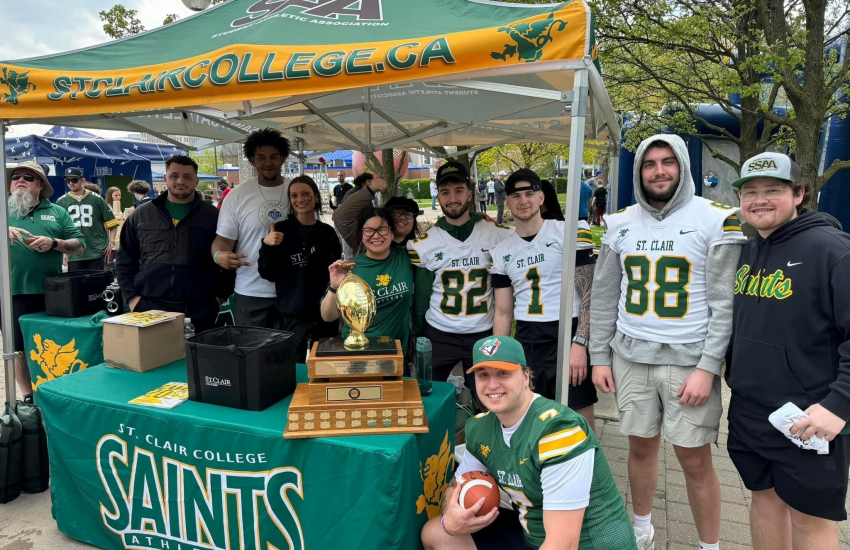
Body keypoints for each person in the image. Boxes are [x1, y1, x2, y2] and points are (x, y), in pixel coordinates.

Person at [589, 134, 747, 550]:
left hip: (688, 361)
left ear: (683, 166)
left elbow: (723, 305)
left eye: (667, 162)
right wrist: (598, 355)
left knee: (694, 460)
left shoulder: (716, 217)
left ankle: (709, 545)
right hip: (630, 356)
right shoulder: (620, 222)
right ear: (639, 169)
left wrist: (708, 366)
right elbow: (604, 296)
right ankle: (641, 529)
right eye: (650, 163)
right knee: (639, 449)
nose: (659, 171)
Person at [724, 153, 850, 550]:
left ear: (799, 194)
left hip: (809, 415)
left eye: (773, 190)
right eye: (750, 192)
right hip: (750, 408)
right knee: (763, 499)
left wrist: (840, 405)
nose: (759, 200)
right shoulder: (748, 250)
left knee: (810, 518)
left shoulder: (832, 250)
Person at [420, 335, 637, 550]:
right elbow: (455, 487)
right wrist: (451, 518)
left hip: (588, 543)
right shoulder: (480, 427)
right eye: (483, 375)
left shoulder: (558, 429)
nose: (492, 384)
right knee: (436, 533)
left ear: (525, 376)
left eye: (503, 373)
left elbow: (563, 543)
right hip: (532, 534)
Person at [492, 168, 598, 431]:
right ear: (508, 201)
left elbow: (589, 294)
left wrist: (580, 343)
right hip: (528, 337)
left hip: (568, 331)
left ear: (541, 198)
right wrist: (501, 357)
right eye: (516, 195)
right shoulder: (501, 250)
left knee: (579, 417)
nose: (523, 200)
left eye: (530, 193)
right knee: (534, 418)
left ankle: (589, 470)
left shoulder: (569, 232)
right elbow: (504, 312)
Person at [407, 161, 512, 389]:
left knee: (488, 397)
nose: (452, 198)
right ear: (438, 195)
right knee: (428, 395)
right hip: (440, 332)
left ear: (470, 192)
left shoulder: (497, 235)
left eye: (458, 191)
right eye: (445, 192)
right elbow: (422, 297)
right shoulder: (424, 244)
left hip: (483, 333)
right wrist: (417, 333)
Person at [117, 155, 231, 333]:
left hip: (200, 309)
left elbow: (230, 258)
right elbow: (124, 259)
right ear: (165, 178)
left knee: (198, 360)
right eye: (174, 175)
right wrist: (132, 299)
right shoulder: (141, 215)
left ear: (196, 181)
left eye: (187, 177)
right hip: (149, 308)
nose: (180, 181)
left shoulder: (214, 217)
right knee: (155, 360)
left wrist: (219, 297)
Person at [5, 161, 86, 400]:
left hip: (52, 292)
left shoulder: (57, 211)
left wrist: (54, 243)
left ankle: (55, 393)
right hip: (12, 292)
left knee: (51, 345)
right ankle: (29, 397)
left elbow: (80, 246)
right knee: (19, 349)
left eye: (28, 178)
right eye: (16, 176)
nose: (20, 180)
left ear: (40, 185)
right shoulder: (2, 210)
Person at [212, 128, 291, 329]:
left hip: (292, 290)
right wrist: (218, 256)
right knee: (252, 355)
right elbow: (222, 241)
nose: (268, 163)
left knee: (291, 356)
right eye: (261, 157)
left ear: (282, 158)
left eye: (274, 156)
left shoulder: (297, 191)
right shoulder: (237, 195)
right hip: (251, 291)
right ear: (252, 161)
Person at [257, 175, 341, 361]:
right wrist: (267, 246)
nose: (300, 199)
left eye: (305, 194)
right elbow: (267, 273)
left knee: (324, 368)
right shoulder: (280, 230)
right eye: (294, 196)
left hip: (324, 316)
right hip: (291, 315)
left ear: (317, 197)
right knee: (290, 371)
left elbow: (335, 273)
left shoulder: (327, 233)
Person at [321, 207, 414, 353]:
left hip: (396, 352)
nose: (376, 236)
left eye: (382, 229)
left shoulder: (406, 257)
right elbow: (328, 316)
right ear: (361, 235)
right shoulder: (350, 268)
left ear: (392, 232)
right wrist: (334, 287)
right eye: (369, 230)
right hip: (357, 350)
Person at [56, 167, 118, 271]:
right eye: (68, 180)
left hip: (96, 250)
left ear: (83, 180)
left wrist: (111, 242)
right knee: (77, 285)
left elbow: (112, 223)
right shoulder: (61, 201)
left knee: (96, 284)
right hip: (73, 252)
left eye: (74, 180)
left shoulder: (97, 199)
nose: (71, 183)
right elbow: (59, 229)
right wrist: (63, 251)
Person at [332, 173, 388, 258]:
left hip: (353, 229)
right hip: (350, 228)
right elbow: (340, 215)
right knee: (349, 255)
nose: (372, 184)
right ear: (363, 183)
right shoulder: (357, 194)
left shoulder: (361, 193)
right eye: (369, 181)